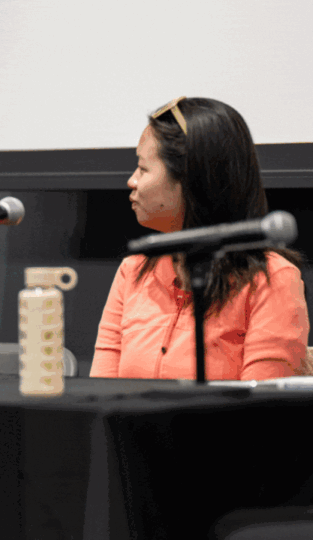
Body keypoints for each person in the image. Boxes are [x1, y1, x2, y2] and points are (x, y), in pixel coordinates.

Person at [91, 97, 309, 380]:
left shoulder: (272, 279)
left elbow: (263, 415)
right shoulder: (132, 271)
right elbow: (100, 393)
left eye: (143, 169)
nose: (132, 181)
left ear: (191, 178)